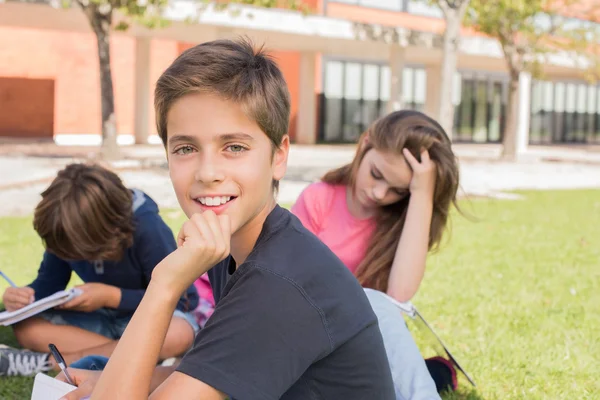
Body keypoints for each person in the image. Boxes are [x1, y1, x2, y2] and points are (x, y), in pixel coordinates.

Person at [56, 37, 395, 400]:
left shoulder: (279, 283)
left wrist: (165, 283)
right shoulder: (235, 245)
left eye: (234, 147)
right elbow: (212, 368)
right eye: (186, 148)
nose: (208, 172)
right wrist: (102, 383)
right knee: (99, 368)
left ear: (278, 156)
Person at [291, 109, 461, 399]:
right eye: (376, 175)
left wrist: (421, 195)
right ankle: (429, 376)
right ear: (364, 144)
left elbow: (398, 294)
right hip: (310, 335)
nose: (380, 194)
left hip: (365, 345)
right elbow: (291, 283)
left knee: (376, 304)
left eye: (398, 190)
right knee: (367, 302)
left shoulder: (400, 220)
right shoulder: (319, 198)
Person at [0, 163, 199, 377]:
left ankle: (51, 363)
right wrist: (23, 299)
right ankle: (146, 358)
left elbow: (183, 299)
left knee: (178, 334)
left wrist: (111, 297)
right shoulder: (66, 228)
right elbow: (49, 284)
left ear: (108, 232)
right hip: (101, 321)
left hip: (150, 321)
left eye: (78, 251)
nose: (71, 255)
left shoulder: (147, 227)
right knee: (27, 326)